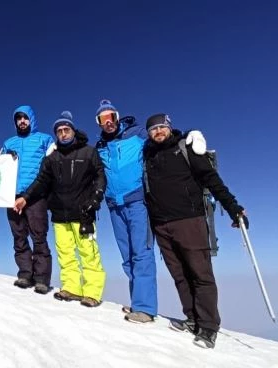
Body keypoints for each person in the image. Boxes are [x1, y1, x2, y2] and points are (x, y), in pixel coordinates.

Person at [95, 99, 207, 323]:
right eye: (102, 119)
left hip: (137, 202)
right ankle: (138, 301)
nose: (108, 122)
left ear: (117, 117)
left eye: (111, 117)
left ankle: (145, 309)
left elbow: (164, 139)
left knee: (142, 253)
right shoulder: (100, 147)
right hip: (114, 206)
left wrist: (190, 134)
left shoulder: (137, 135)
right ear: (98, 123)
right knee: (127, 257)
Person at [143, 113, 248, 349]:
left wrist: (233, 208)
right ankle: (192, 318)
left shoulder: (186, 149)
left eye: (161, 127)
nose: (158, 132)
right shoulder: (148, 155)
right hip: (161, 224)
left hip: (190, 221)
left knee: (201, 274)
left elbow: (211, 179)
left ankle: (209, 327)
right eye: (153, 129)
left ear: (169, 128)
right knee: (179, 275)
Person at [14, 111, 107, 308]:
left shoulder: (88, 152)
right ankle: (72, 288)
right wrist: (25, 198)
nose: (63, 134)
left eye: (66, 130)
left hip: (83, 213)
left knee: (88, 253)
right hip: (59, 214)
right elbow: (40, 182)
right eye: (59, 131)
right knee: (65, 253)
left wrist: (96, 199)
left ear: (73, 131)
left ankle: (92, 292)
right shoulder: (51, 158)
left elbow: (100, 177)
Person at [0, 105, 54, 293]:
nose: (22, 121)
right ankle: (25, 274)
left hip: (36, 196)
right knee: (19, 237)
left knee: (39, 237)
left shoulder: (45, 139)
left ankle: (41, 279)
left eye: (25, 118)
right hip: (12, 196)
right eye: (18, 118)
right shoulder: (8, 143)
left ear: (31, 119)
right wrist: (6, 157)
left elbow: (50, 169)